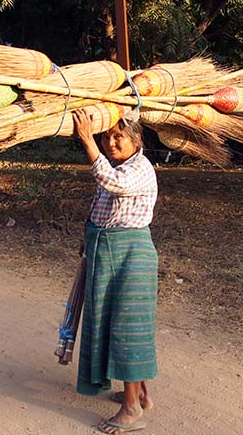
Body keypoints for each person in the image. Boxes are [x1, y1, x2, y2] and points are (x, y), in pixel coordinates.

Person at [72, 108, 159, 434]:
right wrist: (87, 237)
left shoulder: (139, 169)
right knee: (113, 323)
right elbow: (102, 203)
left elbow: (113, 184)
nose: (110, 142)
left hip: (131, 256)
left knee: (128, 327)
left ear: (136, 139)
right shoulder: (119, 164)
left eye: (118, 136)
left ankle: (132, 407)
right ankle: (141, 393)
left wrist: (86, 140)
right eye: (106, 137)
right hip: (107, 251)